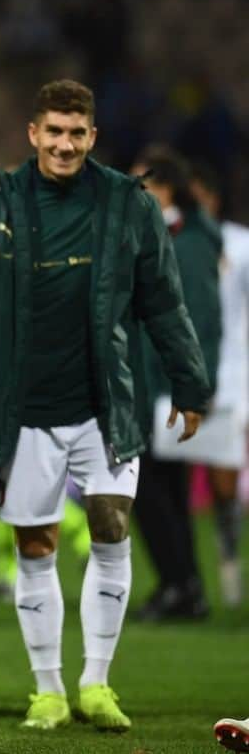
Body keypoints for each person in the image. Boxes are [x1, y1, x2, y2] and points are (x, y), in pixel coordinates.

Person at [0, 79, 211, 732]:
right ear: (33, 133)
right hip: (23, 409)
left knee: (109, 527)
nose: (65, 144)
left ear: (92, 137)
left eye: (77, 133)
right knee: (36, 544)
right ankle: (47, 690)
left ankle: (96, 681)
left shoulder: (129, 205)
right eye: (55, 131)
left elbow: (163, 299)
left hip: (106, 405)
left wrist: (190, 382)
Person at [131, 145, 222, 623]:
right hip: (159, 383)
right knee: (168, 491)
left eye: (139, 184)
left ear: (162, 188)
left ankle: (177, 584)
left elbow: (198, 318)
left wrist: (189, 386)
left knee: (150, 490)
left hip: (163, 387)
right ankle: (186, 588)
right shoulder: (180, 235)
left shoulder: (186, 240)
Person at [190, 164, 249, 608]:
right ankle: (204, 571)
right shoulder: (174, 242)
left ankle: (228, 564)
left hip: (235, 375)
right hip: (190, 376)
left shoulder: (240, 245)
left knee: (227, 476)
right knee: (197, 481)